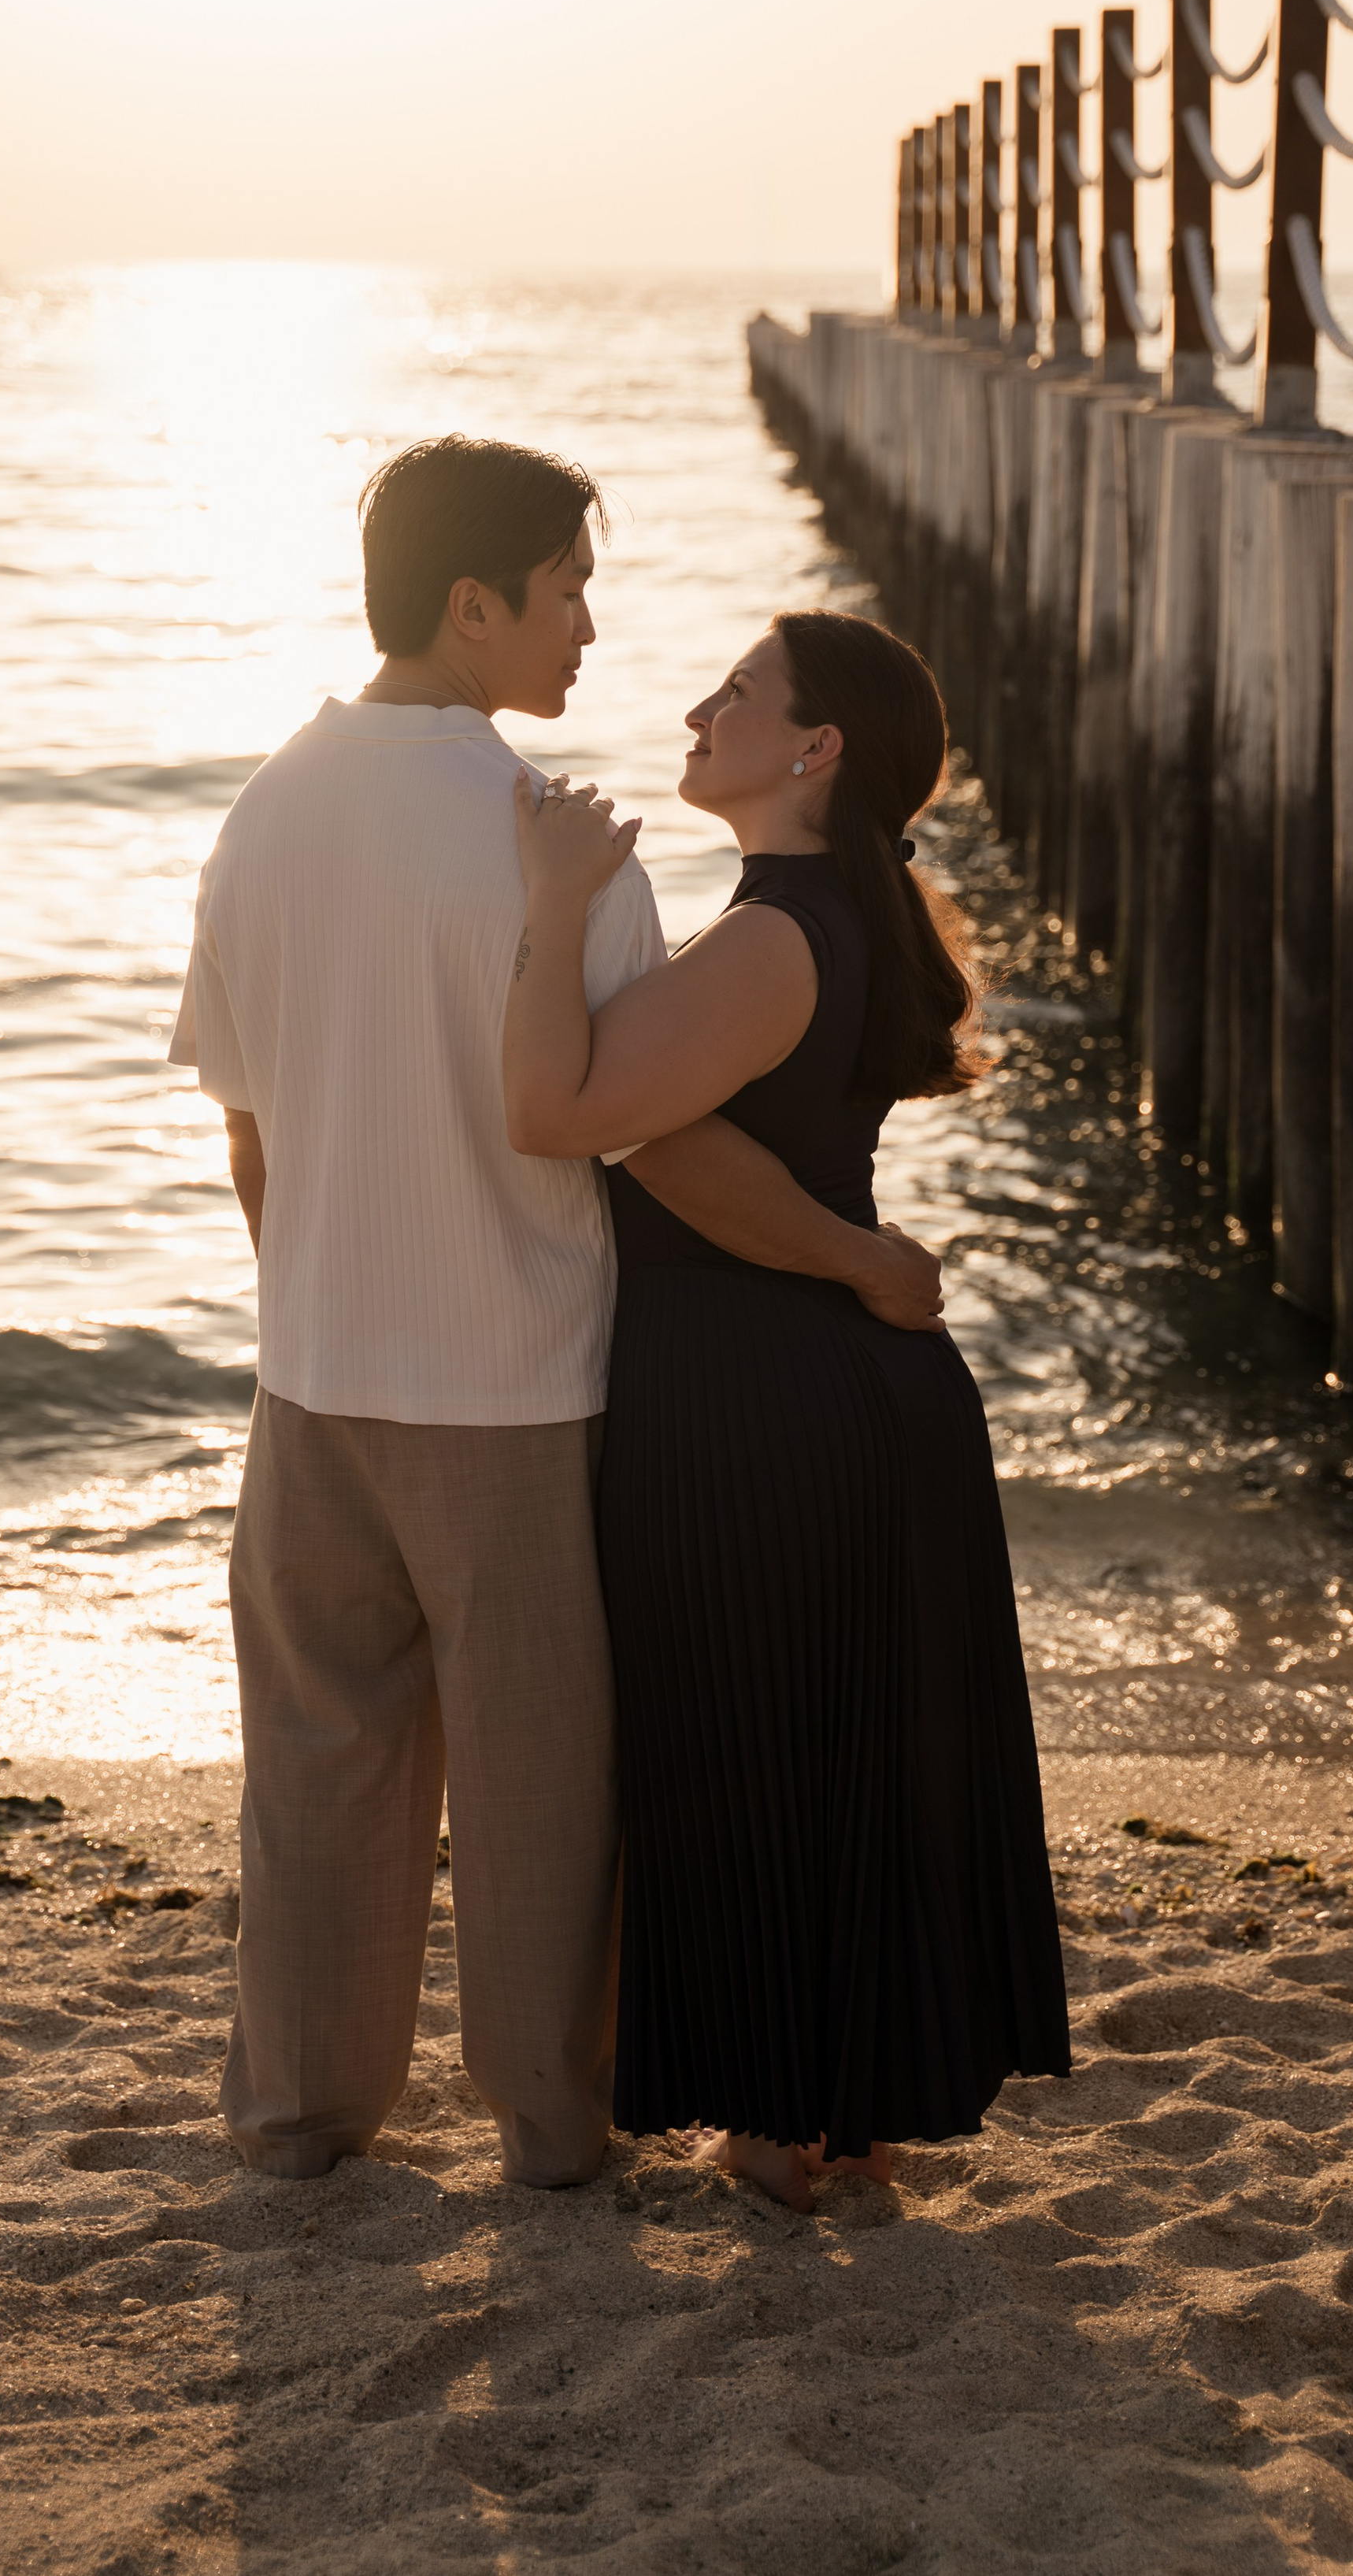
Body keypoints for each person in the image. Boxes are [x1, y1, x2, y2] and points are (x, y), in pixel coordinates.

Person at [169, 439, 950, 2189]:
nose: (589, 626)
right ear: (472, 605)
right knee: (540, 1790)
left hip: (312, 1385)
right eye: (565, 587)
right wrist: (842, 1255)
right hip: (515, 1390)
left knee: (318, 1767)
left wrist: (317, 1298)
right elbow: (657, 1136)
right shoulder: (562, 848)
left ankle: (301, 2118)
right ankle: (548, 2129)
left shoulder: (266, 806)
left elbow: (245, 1121)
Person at [502, 605, 1070, 2211]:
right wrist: (858, 1256)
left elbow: (559, 1111)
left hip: (763, 1400)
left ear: (813, 748)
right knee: (844, 1757)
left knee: (741, 1745)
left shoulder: (767, 935)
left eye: (738, 694)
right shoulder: (840, 910)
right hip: (836, 1389)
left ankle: (775, 2128)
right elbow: (676, 1143)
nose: (698, 709)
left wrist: (553, 906)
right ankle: (839, 2123)